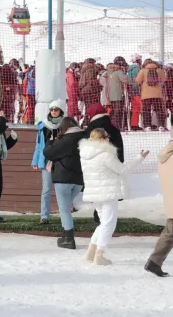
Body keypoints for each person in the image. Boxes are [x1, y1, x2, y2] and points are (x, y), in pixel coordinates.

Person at [79, 128, 148, 265]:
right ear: (103, 139)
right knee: (109, 223)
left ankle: (91, 253)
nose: (109, 139)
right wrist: (139, 158)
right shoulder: (105, 155)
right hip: (108, 193)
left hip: (95, 194)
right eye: (107, 137)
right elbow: (123, 169)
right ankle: (99, 255)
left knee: (103, 223)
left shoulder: (85, 154)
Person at [144, 122, 173, 277]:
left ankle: (154, 262)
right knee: (171, 232)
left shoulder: (165, 153)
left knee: (170, 233)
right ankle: (154, 262)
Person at [42, 117, 86, 249]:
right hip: (78, 180)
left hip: (63, 179)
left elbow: (48, 153)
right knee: (66, 207)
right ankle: (65, 234)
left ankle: (69, 239)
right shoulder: (84, 138)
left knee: (64, 209)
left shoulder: (65, 140)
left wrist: (50, 143)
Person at [85, 103, 124, 225]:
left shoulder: (92, 127)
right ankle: (107, 219)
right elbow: (119, 146)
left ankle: (100, 219)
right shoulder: (113, 125)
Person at [31, 99, 65, 225]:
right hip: (46, 161)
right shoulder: (43, 126)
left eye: (56, 109)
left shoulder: (65, 125)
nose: (53, 112)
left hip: (61, 161)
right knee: (46, 189)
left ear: (60, 111)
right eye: (51, 109)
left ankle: (64, 215)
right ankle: (44, 216)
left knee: (60, 190)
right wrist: (35, 161)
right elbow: (39, 145)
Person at [135, 59, 167, 130]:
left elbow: (137, 81)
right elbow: (164, 79)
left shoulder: (143, 70)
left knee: (146, 110)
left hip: (146, 95)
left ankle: (147, 126)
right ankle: (161, 125)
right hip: (157, 94)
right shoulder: (159, 70)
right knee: (159, 110)